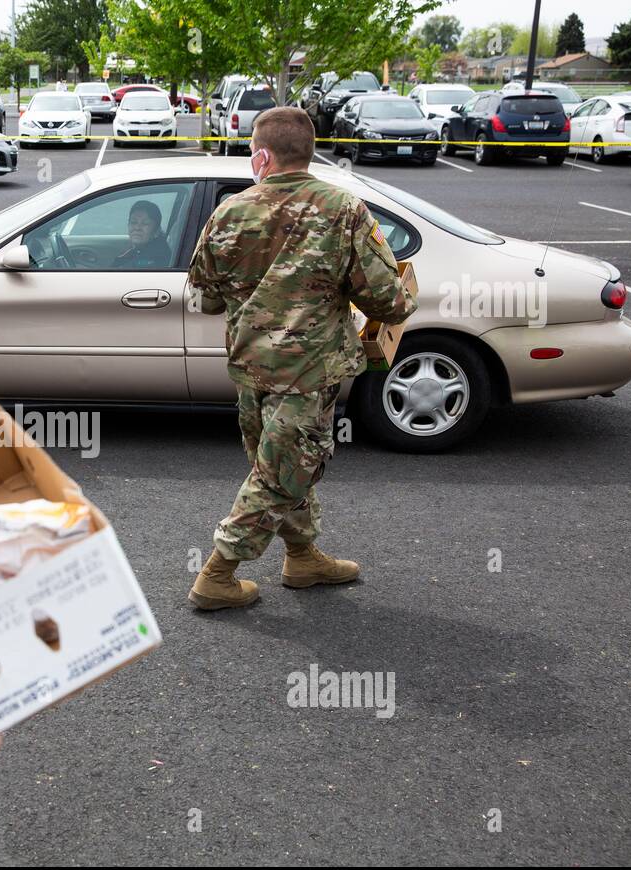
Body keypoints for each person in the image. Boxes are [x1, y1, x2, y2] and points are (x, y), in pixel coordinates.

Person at [186, 107, 416, 611]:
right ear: (308, 153)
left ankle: (303, 556)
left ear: (262, 156)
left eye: (252, 152)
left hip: (251, 368)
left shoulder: (228, 212)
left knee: (283, 466)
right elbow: (387, 301)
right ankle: (216, 575)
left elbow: (204, 297)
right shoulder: (344, 210)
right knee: (279, 473)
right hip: (309, 372)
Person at [112, 200, 174, 269]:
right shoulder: (138, 250)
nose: (137, 228)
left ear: (157, 230)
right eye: (133, 222)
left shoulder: (156, 258)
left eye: (145, 223)